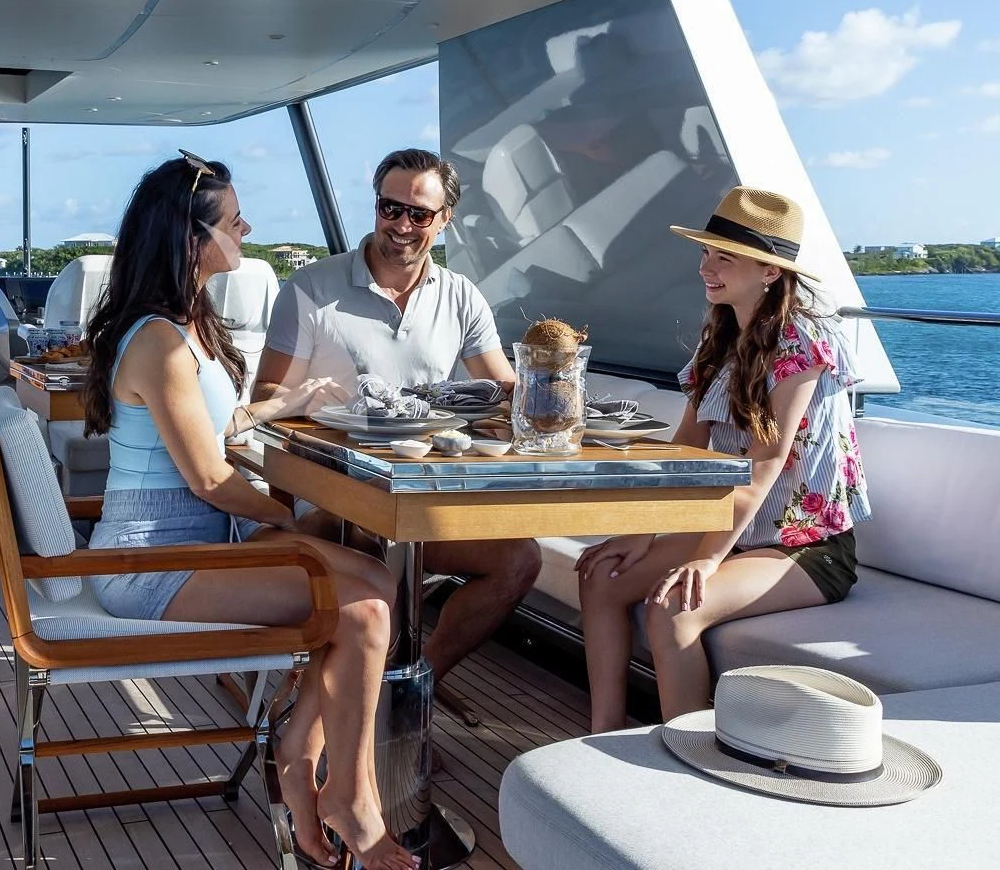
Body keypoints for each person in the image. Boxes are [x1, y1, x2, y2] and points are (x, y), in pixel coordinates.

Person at [82, 151, 419, 870]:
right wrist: (288, 518)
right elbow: (208, 476)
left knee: (376, 586)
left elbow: (219, 427)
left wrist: (291, 401)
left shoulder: (185, 326)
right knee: (362, 607)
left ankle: (300, 758)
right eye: (234, 221)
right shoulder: (159, 341)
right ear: (190, 238)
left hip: (199, 548)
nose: (248, 227)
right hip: (149, 564)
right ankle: (344, 795)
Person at [255, 148, 541, 727]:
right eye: (391, 208)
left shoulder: (460, 296)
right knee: (374, 556)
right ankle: (349, 708)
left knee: (520, 560)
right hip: (339, 502)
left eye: (419, 214)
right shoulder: (311, 289)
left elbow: (505, 393)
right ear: (376, 206)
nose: (402, 225)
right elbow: (265, 402)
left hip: (422, 504)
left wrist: (550, 389)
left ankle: (409, 693)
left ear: (444, 221)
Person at [576, 186, 869, 732]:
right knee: (601, 574)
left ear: (769, 272)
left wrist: (708, 560)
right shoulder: (723, 336)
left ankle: (687, 755)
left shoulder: (803, 342)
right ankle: (605, 736)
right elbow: (685, 450)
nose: (707, 268)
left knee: (674, 608)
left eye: (724, 257)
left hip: (803, 546)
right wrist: (644, 532)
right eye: (706, 253)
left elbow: (766, 464)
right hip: (740, 530)